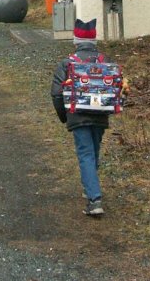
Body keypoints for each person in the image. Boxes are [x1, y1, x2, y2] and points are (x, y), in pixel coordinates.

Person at [50, 18, 110, 217]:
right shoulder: (104, 62)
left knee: (85, 154)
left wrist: (64, 117)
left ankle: (94, 200)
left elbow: (57, 93)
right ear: (94, 40)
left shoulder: (67, 63)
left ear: (75, 41)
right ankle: (89, 186)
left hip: (77, 114)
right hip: (100, 115)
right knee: (93, 151)